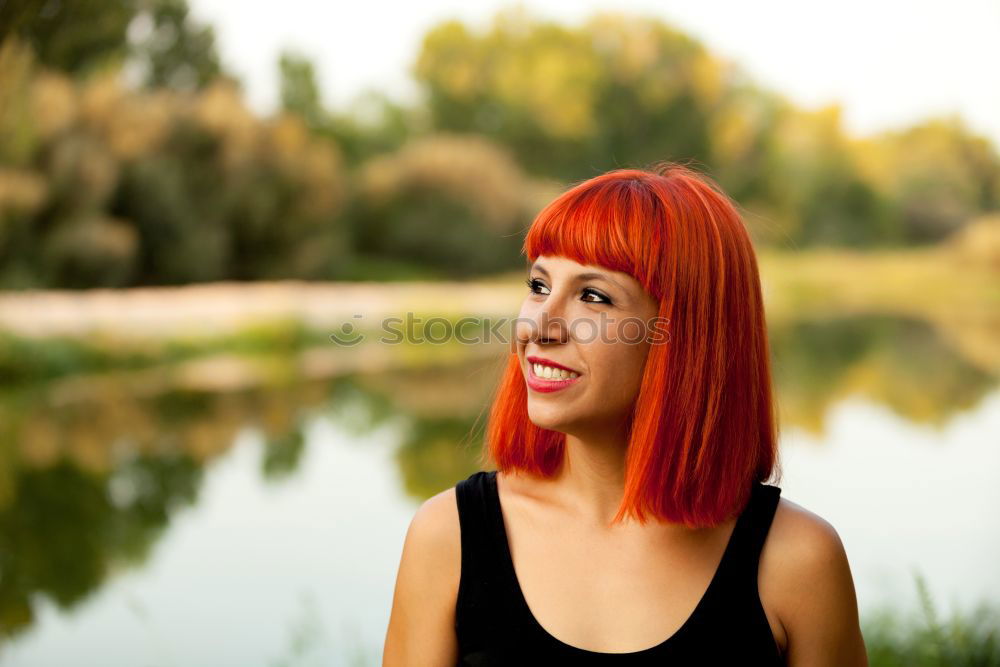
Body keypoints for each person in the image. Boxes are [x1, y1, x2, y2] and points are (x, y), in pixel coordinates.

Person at [382, 163, 868, 665]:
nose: (540, 328)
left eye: (594, 297)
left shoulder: (798, 561)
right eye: (540, 285)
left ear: (684, 337)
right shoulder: (449, 537)